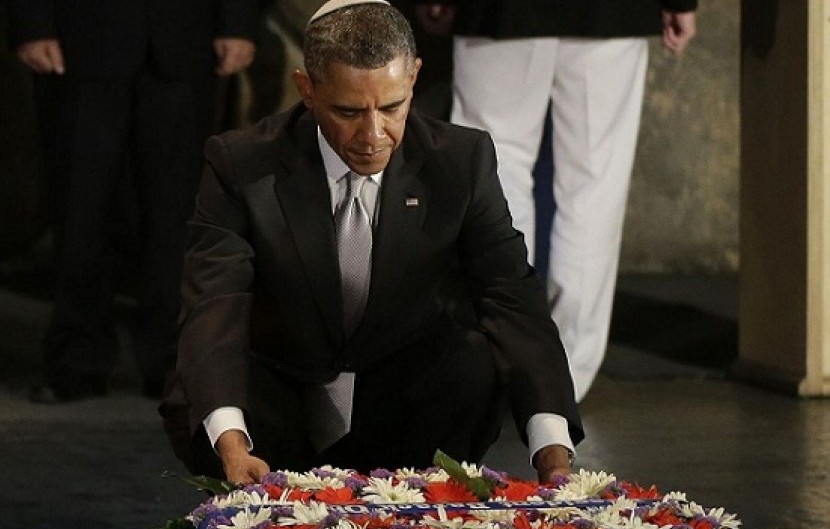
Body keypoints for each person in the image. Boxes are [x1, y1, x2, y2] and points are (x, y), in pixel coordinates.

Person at [160, 0, 583, 485]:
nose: (373, 135)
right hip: (278, 403)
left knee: (473, 360)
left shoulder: (461, 161)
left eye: (391, 107)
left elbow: (512, 298)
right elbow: (215, 305)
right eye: (348, 111)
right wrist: (231, 446)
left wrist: (554, 455)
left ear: (413, 79)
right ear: (307, 89)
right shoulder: (241, 164)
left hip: (402, 406)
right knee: (199, 388)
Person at [413, 0, 697, 401]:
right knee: (594, 185)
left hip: (502, 13)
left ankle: (507, 354)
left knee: (495, 169)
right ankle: (563, 381)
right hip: (612, 14)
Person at [7, 0, 260, 402]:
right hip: (79, 41)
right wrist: (32, 23)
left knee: (179, 216)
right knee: (78, 211)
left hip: (186, 40)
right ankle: (77, 362)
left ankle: (172, 365)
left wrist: (239, 21)